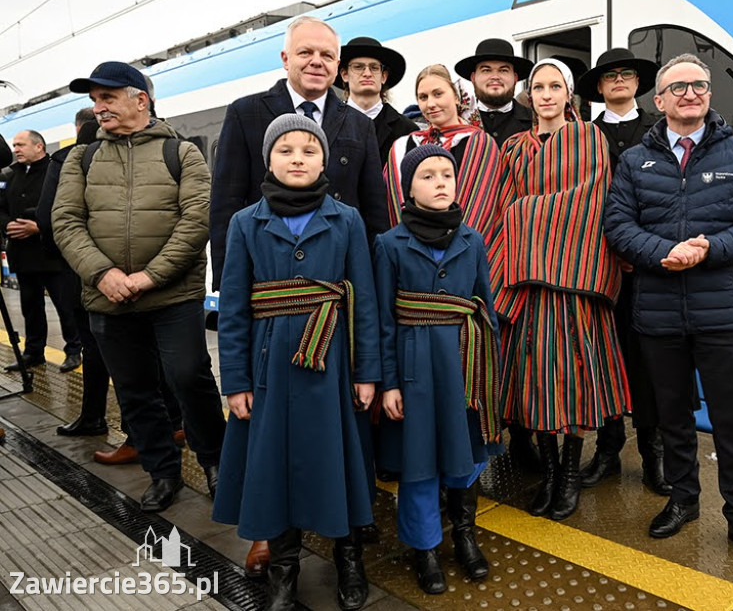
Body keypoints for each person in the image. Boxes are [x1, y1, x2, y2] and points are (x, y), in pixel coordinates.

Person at [604, 53, 733, 573]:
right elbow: (617, 225)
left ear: (708, 96)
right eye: (677, 86)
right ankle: (683, 498)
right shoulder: (637, 161)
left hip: (722, 313)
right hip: (658, 314)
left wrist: (709, 248)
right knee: (672, 418)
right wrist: (663, 252)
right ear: (658, 101)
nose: (690, 93)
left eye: (698, 85)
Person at [213, 114, 379, 611]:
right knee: (275, 466)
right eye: (285, 150)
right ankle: (284, 568)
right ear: (268, 159)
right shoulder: (246, 222)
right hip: (270, 368)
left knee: (343, 462)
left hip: (333, 364)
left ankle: (350, 557)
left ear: (325, 159)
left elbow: (364, 301)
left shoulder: (346, 218)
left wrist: (366, 371)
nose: (298, 159)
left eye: (309, 150)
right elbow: (235, 307)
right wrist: (235, 380)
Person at [52, 61, 226, 513]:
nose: (98, 108)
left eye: (106, 98)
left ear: (140, 100)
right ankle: (162, 471)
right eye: (94, 100)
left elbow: (197, 219)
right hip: (106, 297)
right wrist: (102, 274)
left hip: (173, 294)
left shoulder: (182, 153)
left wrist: (150, 276)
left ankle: (217, 462)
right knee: (133, 389)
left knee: (189, 377)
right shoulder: (81, 157)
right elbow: (66, 221)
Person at [495, 58, 630, 521]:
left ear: (568, 94)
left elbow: (590, 204)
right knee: (535, 382)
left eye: (555, 86)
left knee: (574, 381)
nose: (547, 94)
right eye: (538, 87)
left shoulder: (592, 139)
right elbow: (501, 211)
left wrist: (527, 216)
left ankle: (570, 473)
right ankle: (550, 472)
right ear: (528, 96)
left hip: (576, 285)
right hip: (529, 287)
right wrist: (529, 216)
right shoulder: (512, 147)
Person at [375, 143, 502, 595]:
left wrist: (491, 371)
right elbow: (382, 319)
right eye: (427, 176)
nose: (440, 182)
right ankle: (425, 548)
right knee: (419, 461)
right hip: (415, 368)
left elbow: (484, 303)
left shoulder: (473, 238)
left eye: (446, 174)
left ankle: (465, 535)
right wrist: (389, 382)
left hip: (465, 367)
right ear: (408, 188)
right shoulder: (389, 243)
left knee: (464, 456)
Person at [37, 107, 186, 450]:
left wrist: (90, 266)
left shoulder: (69, 159)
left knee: (113, 358)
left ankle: (125, 432)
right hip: (153, 279)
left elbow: (51, 221)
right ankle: (174, 426)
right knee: (162, 357)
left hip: (88, 277)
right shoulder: (172, 148)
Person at [210, 16, 389, 291]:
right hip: (268, 276)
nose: (316, 61)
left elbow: (374, 212)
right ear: (285, 58)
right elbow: (226, 203)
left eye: (327, 55)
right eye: (305, 52)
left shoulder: (360, 124)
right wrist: (228, 283)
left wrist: (377, 282)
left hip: (338, 279)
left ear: (337, 66)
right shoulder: (244, 113)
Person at [575, 48, 670, 495]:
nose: (618, 81)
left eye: (626, 74)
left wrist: (645, 249)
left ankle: (654, 454)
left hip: (650, 269)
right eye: (609, 76)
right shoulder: (584, 136)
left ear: (637, 83)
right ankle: (608, 449)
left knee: (650, 363)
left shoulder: (660, 132)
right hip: (601, 269)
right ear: (599, 86)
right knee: (605, 359)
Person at [384, 65, 502, 255]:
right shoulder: (405, 145)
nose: (430, 104)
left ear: (456, 96)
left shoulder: (477, 142)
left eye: (438, 94)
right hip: (410, 254)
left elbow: (476, 210)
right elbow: (397, 204)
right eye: (423, 97)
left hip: (458, 255)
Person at [1, 130, 82, 373]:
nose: (15, 149)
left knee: (65, 305)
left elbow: (66, 206)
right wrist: (7, 225)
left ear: (39, 147)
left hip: (52, 253)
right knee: (30, 307)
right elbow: (0, 207)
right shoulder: (8, 174)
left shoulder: (56, 171)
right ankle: (33, 352)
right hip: (22, 255)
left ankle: (73, 350)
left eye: (21, 144)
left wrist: (39, 227)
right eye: (14, 145)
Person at [337, 36, 419, 162]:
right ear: (344, 75)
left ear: (383, 76)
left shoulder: (407, 130)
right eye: (358, 67)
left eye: (374, 67)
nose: (367, 73)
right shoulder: (329, 124)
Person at [454, 39, 533, 147]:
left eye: (503, 70)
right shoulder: (458, 122)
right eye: (486, 70)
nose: (495, 77)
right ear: (473, 78)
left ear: (515, 78)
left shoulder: (535, 121)